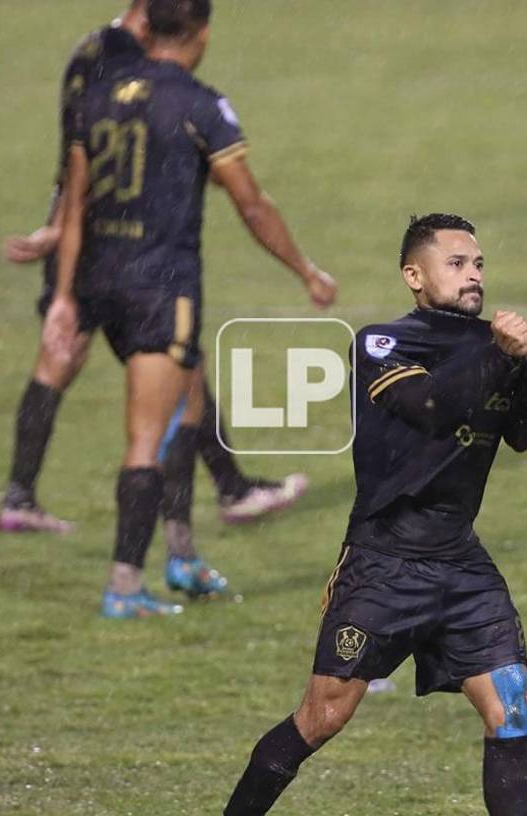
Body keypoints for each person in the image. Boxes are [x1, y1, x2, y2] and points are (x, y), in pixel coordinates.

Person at [223, 214, 527, 815]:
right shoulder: (381, 342)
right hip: (385, 563)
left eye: (478, 264)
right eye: (456, 264)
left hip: (460, 562)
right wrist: (498, 358)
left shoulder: (492, 343)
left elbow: (524, 434)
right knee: (322, 717)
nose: (473, 275)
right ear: (414, 275)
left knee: (513, 706)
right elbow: (428, 405)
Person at [45, 0, 336, 617]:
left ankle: (181, 554)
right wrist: (305, 270)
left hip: (102, 277)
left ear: (145, 26)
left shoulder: (97, 97)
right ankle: (125, 584)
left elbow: (74, 204)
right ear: (201, 33)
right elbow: (253, 207)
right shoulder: (200, 103)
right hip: (158, 287)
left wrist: (66, 298)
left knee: (191, 401)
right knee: (149, 436)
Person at [0, 0, 308, 535]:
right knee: (172, 364)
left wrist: (56, 222)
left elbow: (77, 153)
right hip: (124, 238)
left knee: (65, 358)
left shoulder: (89, 50)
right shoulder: (134, 61)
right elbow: (120, 145)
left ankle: (20, 496)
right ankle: (214, 505)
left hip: (81, 231)